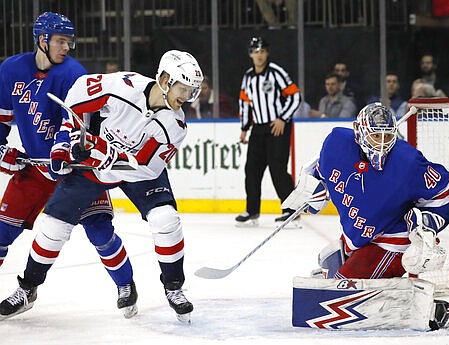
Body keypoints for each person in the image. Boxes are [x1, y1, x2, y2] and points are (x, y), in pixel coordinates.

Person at [0, 49, 203, 323]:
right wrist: (65, 142)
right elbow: (78, 98)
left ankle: (174, 288)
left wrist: (106, 153)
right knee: (52, 227)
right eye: (184, 89)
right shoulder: (124, 86)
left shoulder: (175, 125)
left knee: (165, 219)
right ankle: (28, 289)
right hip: (94, 165)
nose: (186, 98)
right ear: (165, 79)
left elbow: (145, 167)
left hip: (135, 171)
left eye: (191, 92)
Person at [0, 12, 137, 319]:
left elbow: (77, 121)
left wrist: (64, 151)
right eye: (61, 41)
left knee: (100, 230)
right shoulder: (10, 70)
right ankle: (28, 290)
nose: (67, 48)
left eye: (69, 42)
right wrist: (1, 151)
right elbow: (2, 119)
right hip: (34, 170)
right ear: (42, 40)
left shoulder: (73, 73)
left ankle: (126, 285)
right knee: (1, 232)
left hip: (76, 171)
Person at [283, 102, 449, 279]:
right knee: (328, 260)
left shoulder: (407, 162)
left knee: (340, 289)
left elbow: (443, 191)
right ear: (358, 130)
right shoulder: (336, 143)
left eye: (387, 137)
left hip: (393, 240)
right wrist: (315, 187)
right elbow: (319, 171)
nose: (382, 144)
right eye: (376, 136)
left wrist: (425, 227)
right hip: (359, 236)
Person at [235, 36, 301, 226]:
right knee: (252, 169)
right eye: (256, 51)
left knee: (277, 169)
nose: (259, 55)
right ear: (250, 54)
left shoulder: (276, 73)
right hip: (258, 128)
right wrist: (244, 128)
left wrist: (283, 118)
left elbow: (294, 96)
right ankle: (252, 210)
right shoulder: (248, 77)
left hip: (277, 126)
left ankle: (291, 210)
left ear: (267, 53)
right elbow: (245, 103)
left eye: (262, 51)